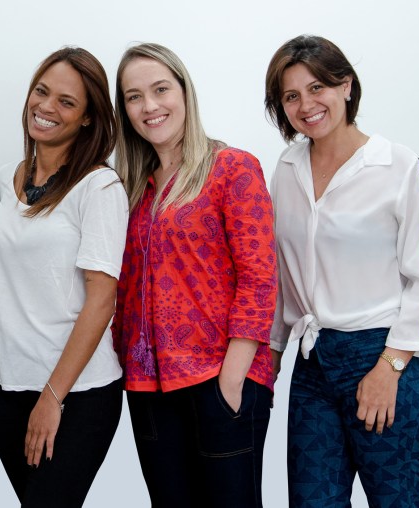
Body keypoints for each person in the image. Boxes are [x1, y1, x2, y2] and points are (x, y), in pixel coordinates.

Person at [264, 35, 419, 508]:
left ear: (345, 86)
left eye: (318, 87)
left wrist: (391, 367)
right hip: (314, 364)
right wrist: (271, 357)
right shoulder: (286, 169)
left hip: (387, 355)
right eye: (291, 96)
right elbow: (283, 275)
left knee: (396, 501)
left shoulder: (399, 166)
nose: (306, 105)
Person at [112, 43, 276, 508]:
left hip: (220, 377)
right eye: (134, 96)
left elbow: (259, 277)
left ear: (185, 92)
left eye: (161, 89)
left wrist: (231, 382)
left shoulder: (232, 169)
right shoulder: (129, 189)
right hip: (148, 386)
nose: (150, 106)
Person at [0, 47, 126, 508]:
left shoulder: (99, 187)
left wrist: (52, 397)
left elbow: (102, 300)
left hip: (75, 391)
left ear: (87, 118)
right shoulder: (7, 178)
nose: (46, 107)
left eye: (66, 101)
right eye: (41, 92)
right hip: (4, 385)